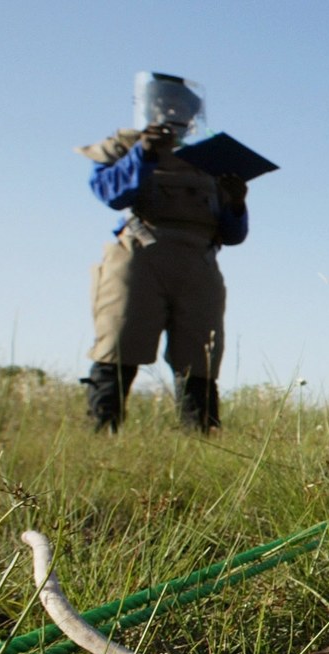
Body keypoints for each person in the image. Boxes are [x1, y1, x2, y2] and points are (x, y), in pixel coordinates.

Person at [76, 72, 248, 433]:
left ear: (192, 115)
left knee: (200, 354)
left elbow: (233, 234)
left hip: (199, 264)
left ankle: (200, 439)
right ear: (148, 106)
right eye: (164, 103)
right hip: (139, 258)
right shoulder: (122, 147)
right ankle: (101, 436)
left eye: (181, 106)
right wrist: (144, 155)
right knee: (119, 342)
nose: (172, 111)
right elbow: (110, 193)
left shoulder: (212, 161)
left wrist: (236, 202)